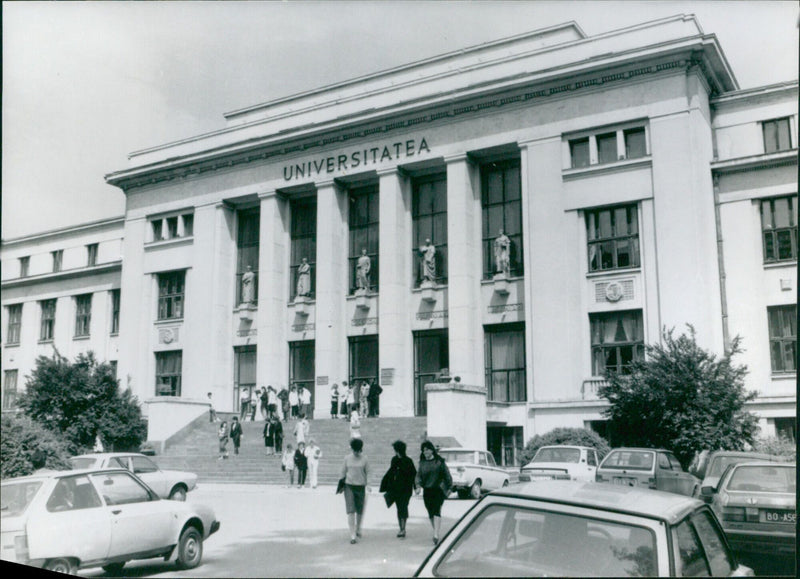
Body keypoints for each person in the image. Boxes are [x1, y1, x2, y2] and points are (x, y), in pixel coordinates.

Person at [415, 440, 453, 545]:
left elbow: (447, 475)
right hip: (427, 490)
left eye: (427, 450)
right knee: (430, 513)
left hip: (438, 490)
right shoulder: (422, 463)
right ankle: (436, 531)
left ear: (432, 450)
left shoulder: (439, 462)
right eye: (423, 451)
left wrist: (450, 487)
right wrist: (418, 486)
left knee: (436, 511)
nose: (425, 452)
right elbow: (418, 476)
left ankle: (436, 534)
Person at [380, 440, 417, 538]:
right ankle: (401, 528)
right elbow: (391, 473)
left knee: (403, 507)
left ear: (398, 450)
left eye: (395, 449)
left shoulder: (408, 461)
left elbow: (413, 475)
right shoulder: (394, 460)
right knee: (399, 508)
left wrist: (416, 487)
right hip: (396, 488)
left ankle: (403, 529)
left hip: (406, 489)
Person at [341, 437, 370, 544]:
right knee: (350, 511)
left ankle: (358, 528)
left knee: (359, 510)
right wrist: (340, 484)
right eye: (354, 450)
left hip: (360, 487)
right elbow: (343, 472)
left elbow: (369, 472)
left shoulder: (365, 459)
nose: (356, 452)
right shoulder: (347, 458)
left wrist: (369, 484)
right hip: (349, 486)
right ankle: (352, 535)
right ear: (352, 449)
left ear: (361, 449)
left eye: (358, 450)